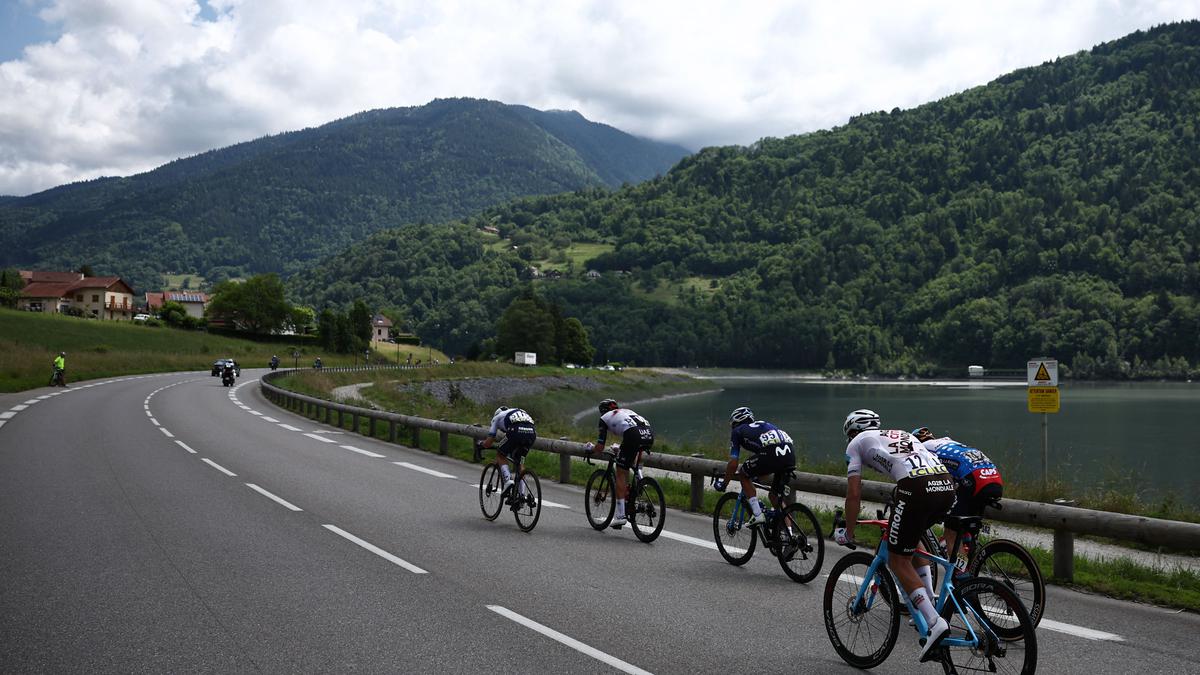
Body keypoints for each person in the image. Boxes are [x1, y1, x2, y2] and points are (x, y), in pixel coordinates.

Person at [836, 409, 956, 662]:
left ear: (852, 432)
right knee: (910, 544)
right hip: (945, 485)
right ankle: (928, 607)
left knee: (896, 559)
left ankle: (934, 623)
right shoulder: (899, 433)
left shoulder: (856, 444)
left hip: (916, 488)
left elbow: (854, 494)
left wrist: (848, 531)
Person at [912, 427, 1003, 570]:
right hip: (994, 479)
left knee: (951, 533)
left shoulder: (922, 451)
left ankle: (962, 576)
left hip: (974, 480)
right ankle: (969, 563)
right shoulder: (946, 443)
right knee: (963, 523)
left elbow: (929, 484)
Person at [713, 406, 796, 527]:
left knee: (743, 474)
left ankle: (757, 514)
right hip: (789, 455)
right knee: (774, 496)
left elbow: (733, 463)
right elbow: (766, 461)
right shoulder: (764, 425)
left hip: (772, 454)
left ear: (736, 421)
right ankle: (790, 534)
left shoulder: (738, 431)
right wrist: (758, 475)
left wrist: (724, 484)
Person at [585, 399, 654, 529]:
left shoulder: (605, 418)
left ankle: (620, 516)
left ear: (602, 412)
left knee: (620, 472)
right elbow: (628, 430)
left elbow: (600, 447)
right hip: (648, 434)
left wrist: (590, 448)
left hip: (633, 436)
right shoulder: (626, 411)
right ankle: (640, 481)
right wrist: (620, 449)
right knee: (629, 460)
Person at [477, 406, 538, 505]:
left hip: (515, 431)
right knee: (520, 462)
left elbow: (489, 442)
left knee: (501, 455)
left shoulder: (496, 418)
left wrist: (481, 444)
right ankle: (521, 497)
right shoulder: (520, 411)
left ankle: (508, 481)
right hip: (531, 433)